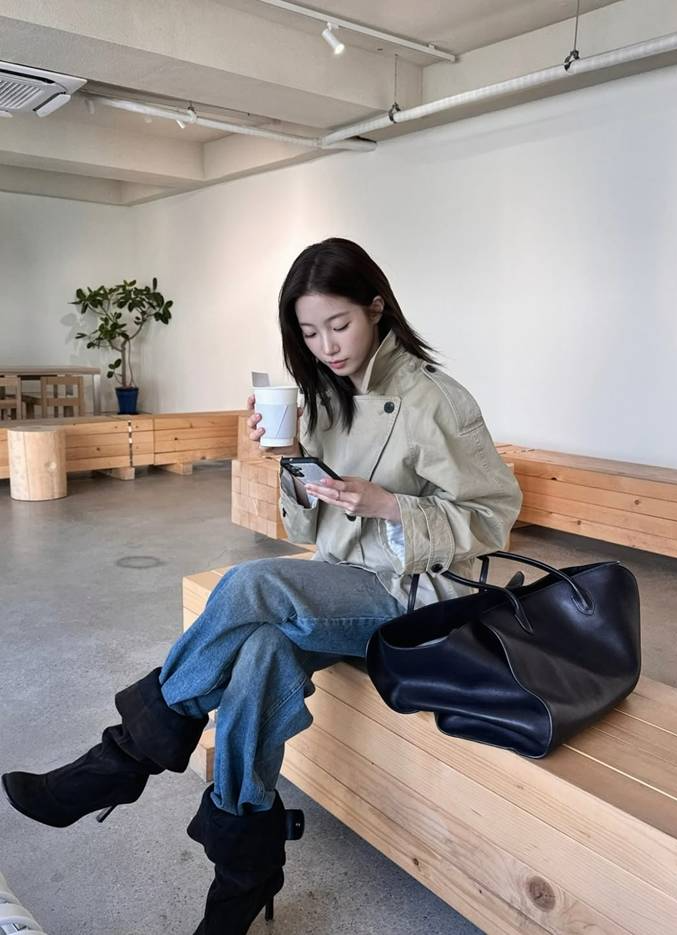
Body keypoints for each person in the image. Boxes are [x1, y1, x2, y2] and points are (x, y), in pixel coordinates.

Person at [2, 238, 522, 935]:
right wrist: (291, 459)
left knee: (252, 584)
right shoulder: (327, 395)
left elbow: (493, 518)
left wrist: (390, 504)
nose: (327, 346)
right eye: (309, 332)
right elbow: (311, 517)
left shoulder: (434, 400)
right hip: (341, 579)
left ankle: (124, 757)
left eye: (339, 324)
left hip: (410, 597)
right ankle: (244, 874)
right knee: (260, 655)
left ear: (376, 306)